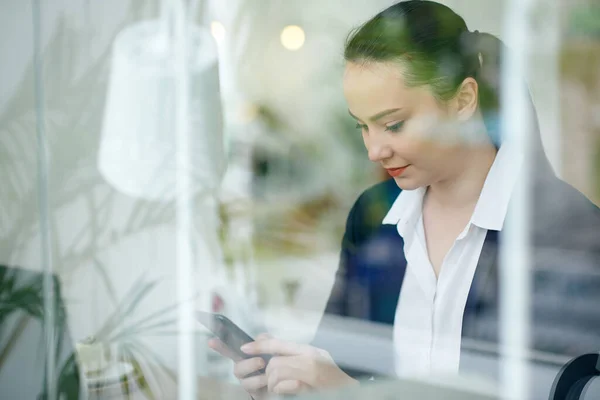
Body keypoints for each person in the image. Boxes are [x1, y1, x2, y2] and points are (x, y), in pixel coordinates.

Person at [209, 1, 600, 398]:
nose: (374, 150)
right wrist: (294, 383)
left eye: (393, 124)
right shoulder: (373, 216)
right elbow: (341, 361)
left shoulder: (569, 232)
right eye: (362, 126)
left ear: (464, 100)